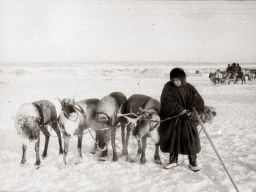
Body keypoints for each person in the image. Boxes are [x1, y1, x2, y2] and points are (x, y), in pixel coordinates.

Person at [158, 68, 205, 171]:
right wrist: (178, 110)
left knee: (190, 140)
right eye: (173, 80)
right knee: (173, 139)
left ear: (183, 79)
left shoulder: (190, 88)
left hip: (188, 120)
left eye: (178, 80)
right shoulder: (168, 87)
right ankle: (173, 160)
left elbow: (199, 103)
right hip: (174, 119)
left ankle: (193, 161)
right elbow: (166, 101)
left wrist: (191, 112)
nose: (175, 82)